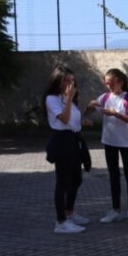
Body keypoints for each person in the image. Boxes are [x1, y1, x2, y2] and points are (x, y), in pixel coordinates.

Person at [87, 68, 128, 223]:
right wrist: (89, 107)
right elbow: (88, 112)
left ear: (120, 82)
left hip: (126, 142)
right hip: (109, 141)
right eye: (106, 83)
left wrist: (115, 114)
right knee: (113, 175)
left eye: (111, 83)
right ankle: (115, 209)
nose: (108, 86)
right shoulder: (104, 97)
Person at [43, 65, 89, 234]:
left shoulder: (68, 98)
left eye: (72, 80)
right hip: (61, 140)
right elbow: (63, 119)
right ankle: (60, 222)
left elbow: (72, 120)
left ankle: (70, 213)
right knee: (62, 181)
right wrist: (69, 99)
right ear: (58, 81)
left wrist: (81, 123)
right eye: (66, 81)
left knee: (76, 179)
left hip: (73, 139)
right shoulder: (52, 99)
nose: (70, 84)